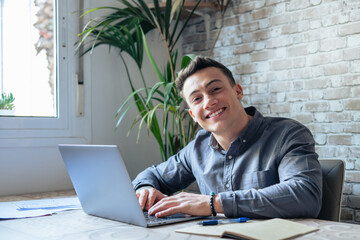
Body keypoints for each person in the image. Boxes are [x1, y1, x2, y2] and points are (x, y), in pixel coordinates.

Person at [132, 56, 322, 219]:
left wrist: (214, 204)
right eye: (197, 98)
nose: (209, 102)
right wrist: (144, 189)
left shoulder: (287, 134)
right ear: (193, 115)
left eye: (215, 89)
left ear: (238, 91)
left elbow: (305, 194)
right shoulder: (197, 148)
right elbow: (152, 175)